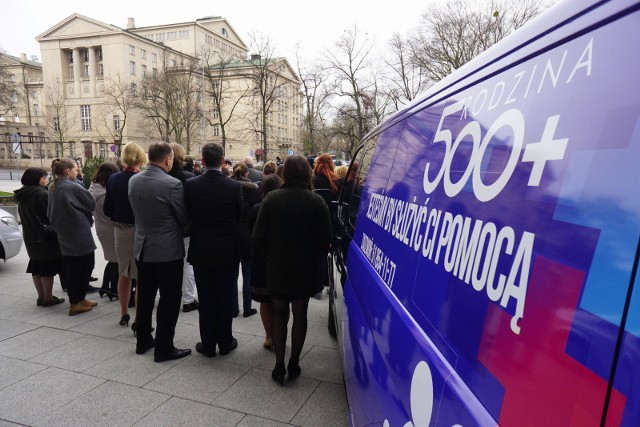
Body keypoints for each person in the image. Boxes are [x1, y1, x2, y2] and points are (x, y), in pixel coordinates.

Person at [252, 154, 332, 385]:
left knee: (279, 313)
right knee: (300, 314)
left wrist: (271, 256)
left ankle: (279, 365)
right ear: (307, 173)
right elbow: (325, 239)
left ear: (284, 172)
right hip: (305, 269)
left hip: (277, 267)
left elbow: (257, 237)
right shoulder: (316, 201)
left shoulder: (272, 199)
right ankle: (294, 362)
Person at [128, 142, 191, 362]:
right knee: (169, 300)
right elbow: (184, 218)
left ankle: (143, 339)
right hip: (167, 252)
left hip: (142, 248)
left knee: (145, 296)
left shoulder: (134, 181)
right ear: (167, 160)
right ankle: (164, 347)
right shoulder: (172, 184)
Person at [184, 143, 243, 358]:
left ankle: (208, 343)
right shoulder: (233, 186)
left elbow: (188, 214)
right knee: (225, 296)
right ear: (223, 160)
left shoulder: (191, 185)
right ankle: (225, 341)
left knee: (206, 297)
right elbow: (239, 217)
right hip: (227, 250)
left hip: (201, 249)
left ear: (203, 160)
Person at [47, 158, 98, 316]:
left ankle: (79, 300)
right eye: (76, 169)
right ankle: (75, 302)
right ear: (67, 171)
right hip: (78, 232)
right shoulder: (70, 186)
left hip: (64, 233)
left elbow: (50, 212)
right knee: (85, 265)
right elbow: (91, 203)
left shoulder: (53, 186)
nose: (78, 172)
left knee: (73, 268)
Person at [104, 142, 146, 330]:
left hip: (120, 231)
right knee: (141, 276)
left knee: (124, 274)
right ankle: (138, 317)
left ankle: (123, 313)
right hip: (139, 231)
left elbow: (107, 209)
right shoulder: (142, 179)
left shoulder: (113, 179)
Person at [13, 168, 65, 307]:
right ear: (38, 179)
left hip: (30, 235)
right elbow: (50, 215)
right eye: (44, 177)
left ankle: (41, 296)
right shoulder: (41, 194)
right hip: (45, 236)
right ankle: (48, 298)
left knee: (36, 265)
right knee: (47, 267)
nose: (46, 179)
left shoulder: (22, 193)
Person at [248, 174, 283, 350]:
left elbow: (251, 233)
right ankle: (279, 334)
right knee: (280, 301)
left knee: (265, 301)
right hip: (280, 260)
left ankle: (269, 336)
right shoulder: (284, 206)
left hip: (261, 260)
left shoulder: (256, 208)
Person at [168, 143, 198, 313]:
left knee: (172, 263)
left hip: (167, 228)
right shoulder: (188, 177)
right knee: (188, 263)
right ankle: (188, 298)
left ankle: (174, 294)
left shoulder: (162, 176)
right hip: (185, 227)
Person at [230, 162, 259, 318]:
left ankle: (233, 308)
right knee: (247, 273)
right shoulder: (254, 190)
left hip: (232, 234)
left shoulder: (229, 188)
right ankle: (247, 308)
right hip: (248, 234)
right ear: (247, 173)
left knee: (233, 274)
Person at [89, 162, 120, 300]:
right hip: (111, 228)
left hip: (101, 228)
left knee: (113, 259)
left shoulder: (93, 188)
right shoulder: (105, 193)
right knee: (116, 260)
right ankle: (113, 289)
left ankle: (105, 287)